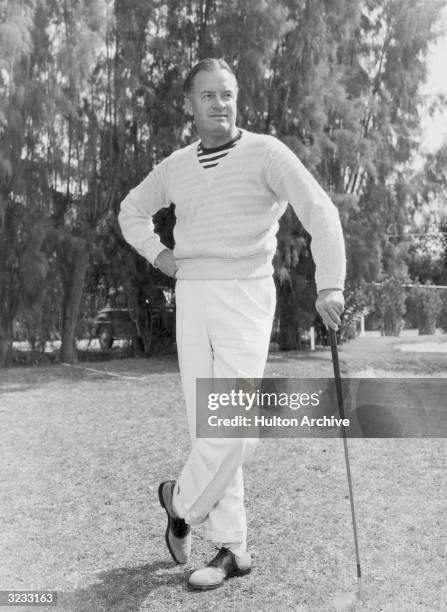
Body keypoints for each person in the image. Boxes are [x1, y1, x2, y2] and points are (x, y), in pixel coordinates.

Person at [118, 57, 345, 591]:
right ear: (190, 104)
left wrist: (330, 284)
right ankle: (233, 550)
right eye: (209, 96)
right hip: (192, 293)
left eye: (228, 94)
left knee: (235, 422)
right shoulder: (175, 165)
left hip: (246, 292)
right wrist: (162, 257)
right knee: (208, 424)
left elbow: (320, 211)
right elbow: (131, 210)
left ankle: (180, 502)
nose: (220, 104)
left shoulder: (266, 152)